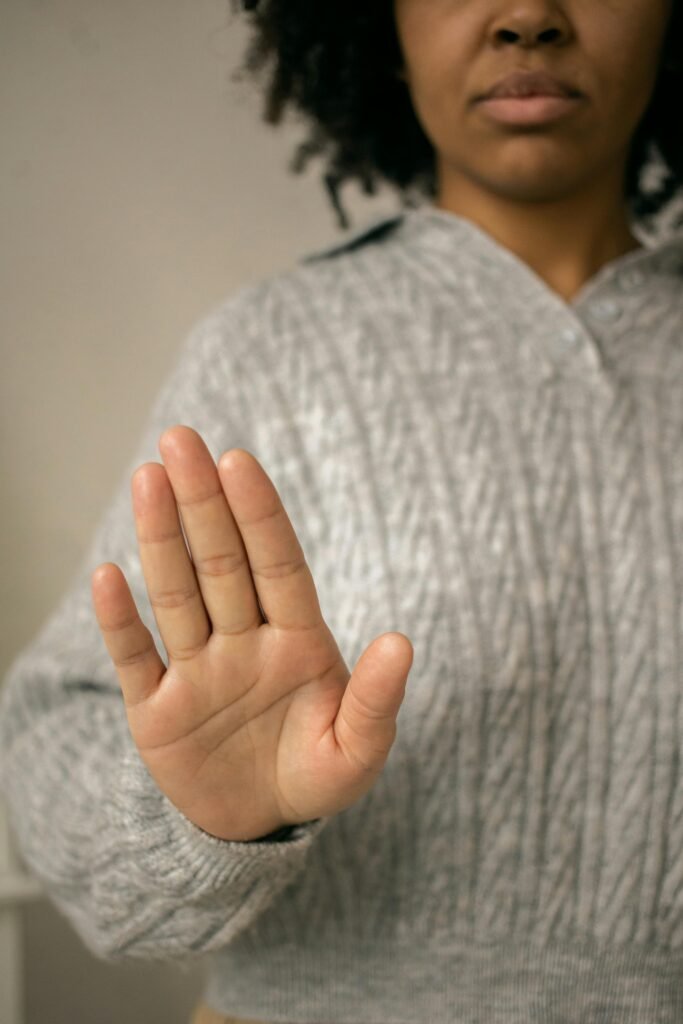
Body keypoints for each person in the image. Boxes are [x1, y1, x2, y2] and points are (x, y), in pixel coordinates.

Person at [2, 0, 683, 1021]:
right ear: (376, 25)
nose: (528, 16)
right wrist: (202, 820)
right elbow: (49, 732)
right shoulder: (272, 346)